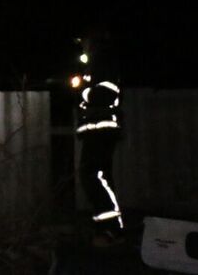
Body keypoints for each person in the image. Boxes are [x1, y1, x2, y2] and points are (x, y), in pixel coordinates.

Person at [72, 30, 125, 247]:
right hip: (95, 129)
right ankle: (105, 230)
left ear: (92, 40)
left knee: (93, 176)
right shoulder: (95, 63)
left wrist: (82, 91)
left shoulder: (103, 61)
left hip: (102, 128)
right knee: (97, 177)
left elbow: (105, 92)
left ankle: (111, 230)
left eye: (83, 40)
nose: (82, 45)